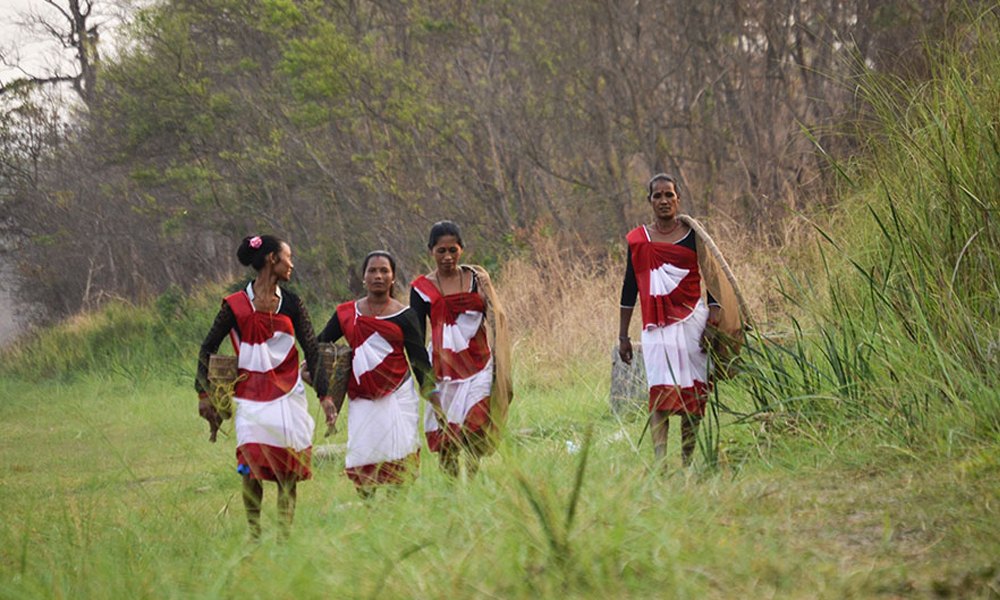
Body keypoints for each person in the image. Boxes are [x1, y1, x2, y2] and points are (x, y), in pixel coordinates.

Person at [196, 235, 334, 539]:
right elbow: (207, 347)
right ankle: (254, 534)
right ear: (272, 259)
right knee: (250, 466)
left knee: (288, 473)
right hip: (250, 397)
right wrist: (203, 393)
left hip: (288, 396)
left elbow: (311, 349)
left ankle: (284, 536)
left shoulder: (293, 303)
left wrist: (324, 395)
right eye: (288, 257)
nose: (292, 264)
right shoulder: (235, 305)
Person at [618, 175, 723, 467]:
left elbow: (713, 278)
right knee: (661, 393)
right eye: (657, 196)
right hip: (656, 327)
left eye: (669, 195)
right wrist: (623, 336)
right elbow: (629, 288)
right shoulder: (639, 241)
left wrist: (714, 319)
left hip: (693, 323)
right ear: (649, 201)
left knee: (693, 397)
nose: (663, 201)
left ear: (678, 199)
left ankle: (687, 462)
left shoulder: (694, 234)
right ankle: (661, 465)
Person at [316, 251, 434, 497]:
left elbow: (419, 362)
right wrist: (323, 385)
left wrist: (435, 398)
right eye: (372, 270)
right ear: (363, 277)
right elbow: (319, 345)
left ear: (393, 278)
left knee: (399, 456)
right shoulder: (347, 313)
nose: (378, 275)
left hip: (399, 395)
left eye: (384, 271)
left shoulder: (405, 315)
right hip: (361, 397)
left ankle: (395, 509)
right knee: (365, 455)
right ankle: (368, 508)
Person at [410, 221, 512, 478]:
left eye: (453, 250)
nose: (447, 257)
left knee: (476, 426)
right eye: (441, 251)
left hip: (479, 364)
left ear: (462, 250)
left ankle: (474, 480)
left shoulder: (477, 280)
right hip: (444, 372)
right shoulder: (420, 289)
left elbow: (496, 317)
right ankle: (452, 492)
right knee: (447, 438)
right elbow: (416, 339)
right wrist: (426, 381)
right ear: (430, 251)